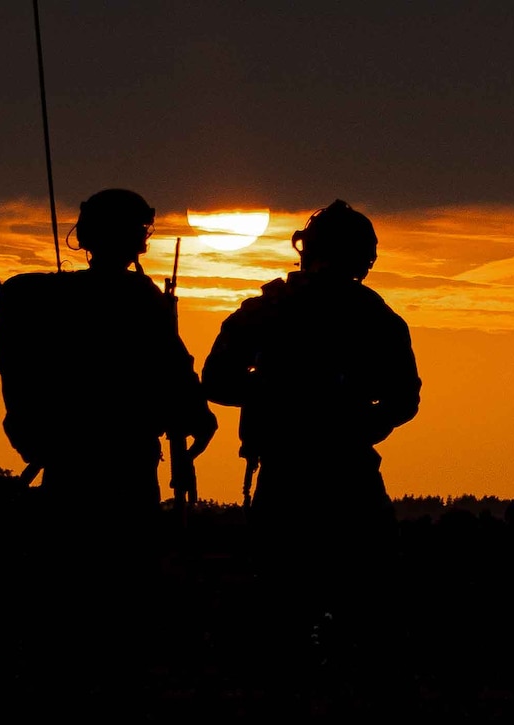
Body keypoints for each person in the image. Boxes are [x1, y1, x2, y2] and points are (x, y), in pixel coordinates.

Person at [0, 188, 217, 712]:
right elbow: (177, 378)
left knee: (69, 591)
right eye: (140, 230)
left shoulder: (49, 300)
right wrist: (196, 424)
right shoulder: (140, 302)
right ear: (134, 237)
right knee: (123, 594)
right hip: (125, 465)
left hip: (68, 466)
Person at [201, 199, 421, 682]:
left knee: (302, 602)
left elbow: (216, 381)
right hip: (330, 473)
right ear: (364, 257)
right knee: (351, 601)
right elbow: (404, 399)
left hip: (305, 472)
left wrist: (282, 400)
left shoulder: (271, 311)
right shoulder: (373, 316)